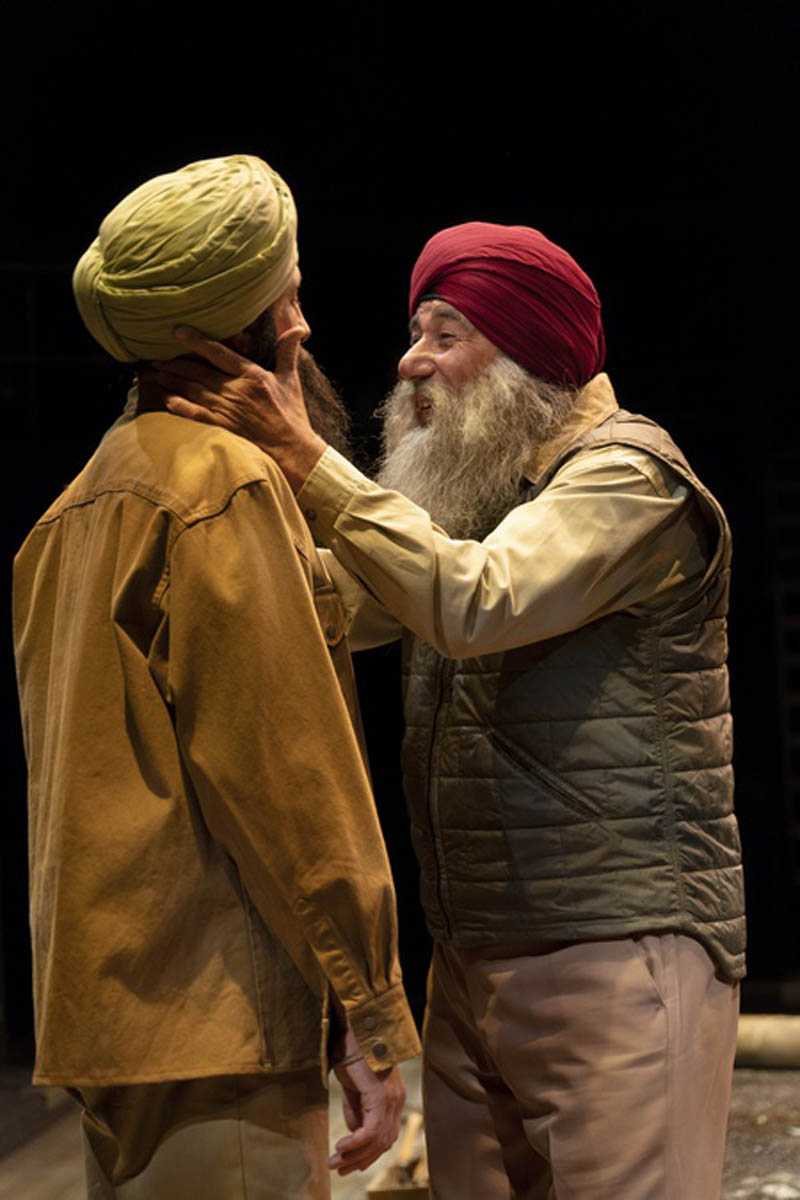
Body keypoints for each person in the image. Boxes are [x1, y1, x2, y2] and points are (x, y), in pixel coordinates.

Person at [153, 220, 745, 1199]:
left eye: (443, 334)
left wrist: (311, 462)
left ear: (525, 356)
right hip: (470, 955)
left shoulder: (628, 477)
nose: (409, 359)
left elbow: (477, 600)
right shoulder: (480, 500)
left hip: (611, 948)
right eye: (413, 330)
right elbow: (342, 608)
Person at [12, 155, 421, 1200]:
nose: (304, 325)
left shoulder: (76, 502)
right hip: (221, 1027)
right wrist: (368, 1011)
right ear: (227, 330)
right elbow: (286, 773)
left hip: (119, 1027)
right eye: (288, 294)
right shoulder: (222, 486)